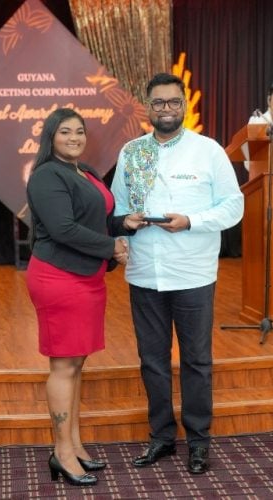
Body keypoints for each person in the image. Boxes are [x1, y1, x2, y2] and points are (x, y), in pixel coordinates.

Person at [111, 73, 244, 474]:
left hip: (193, 274)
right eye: (158, 102)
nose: (165, 109)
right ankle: (162, 438)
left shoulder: (209, 151)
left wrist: (190, 220)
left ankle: (199, 442)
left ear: (184, 106)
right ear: (147, 107)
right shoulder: (132, 152)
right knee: (151, 360)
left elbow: (233, 207)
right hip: (145, 274)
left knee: (197, 361)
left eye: (173, 102)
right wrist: (125, 225)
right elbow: (116, 208)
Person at [26, 108, 144, 487]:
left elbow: (93, 220)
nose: (74, 137)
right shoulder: (46, 175)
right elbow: (62, 229)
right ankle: (60, 453)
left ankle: (74, 444)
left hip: (87, 278)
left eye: (79, 131)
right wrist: (112, 247)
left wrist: (122, 224)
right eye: (65, 132)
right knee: (63, 365)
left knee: (76, 364)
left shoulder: (86, 172)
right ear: (51, 136)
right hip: (59, 277)